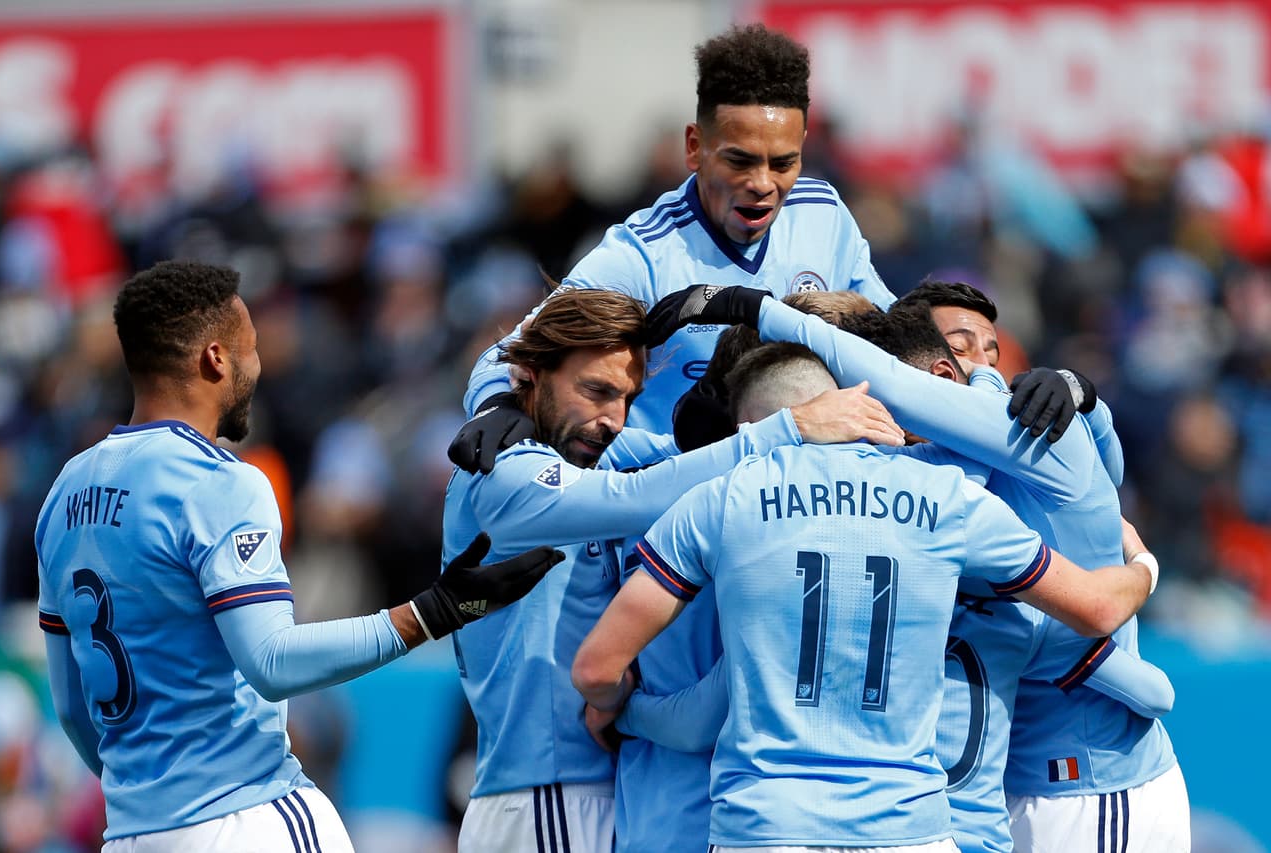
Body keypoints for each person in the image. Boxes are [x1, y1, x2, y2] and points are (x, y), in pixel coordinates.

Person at [34, 260, 565, 852]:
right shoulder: (218, 481)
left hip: (132, 834)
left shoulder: (62, 494)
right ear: (216, 359)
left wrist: (150, 799)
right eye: (251, 349)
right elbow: (272, 661)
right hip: (244, 817)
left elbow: (72, 707)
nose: (257, 367)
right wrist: (431, 612)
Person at [649, 284, 1190, 851]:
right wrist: (1139, 572)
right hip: (956, 819)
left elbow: (1106, 492)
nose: (981, 363)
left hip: (1084, 782)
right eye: (962, 347)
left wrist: (1088, 401)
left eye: (990, 351)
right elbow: (1120, 651)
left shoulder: (1017, 440)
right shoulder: (936, 497)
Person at [442, 287, 902, 853]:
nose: (611, 419)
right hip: (545, 792)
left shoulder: (595, 447)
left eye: (627, 398)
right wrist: (790, 428)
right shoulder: (499, 473)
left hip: (593, 786)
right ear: (531, 375)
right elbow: (636, 494)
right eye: (596, 391)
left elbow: (684, 457)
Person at [449, 22, 898, 474]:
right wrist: (498, 405)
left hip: (803, 493)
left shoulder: (824, 215)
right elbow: (511, 352)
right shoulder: (641, 254)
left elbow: (892, 337)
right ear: (695, 147)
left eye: (783, 163)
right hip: (672, 505)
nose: (763, 184)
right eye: (739, 161)